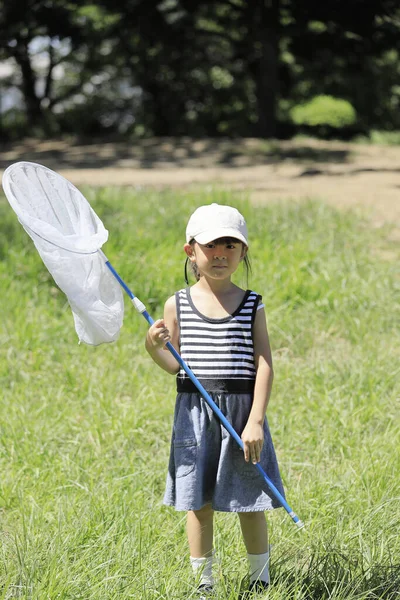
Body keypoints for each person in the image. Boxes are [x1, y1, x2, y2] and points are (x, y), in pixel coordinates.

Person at [145, 203, 285, 597]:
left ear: (243, 252)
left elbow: (264, 363)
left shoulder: (251, 304)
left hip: (241, 415)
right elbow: (173, 364)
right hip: (195, 416)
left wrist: (256, 419)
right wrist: (152, 345)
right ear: (191, 251)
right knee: (198, 500)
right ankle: (202, 584)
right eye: (211, 245)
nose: (220, 253)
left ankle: (260, 580)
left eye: (231, 245)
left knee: (251, 498)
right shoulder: (178, 304)